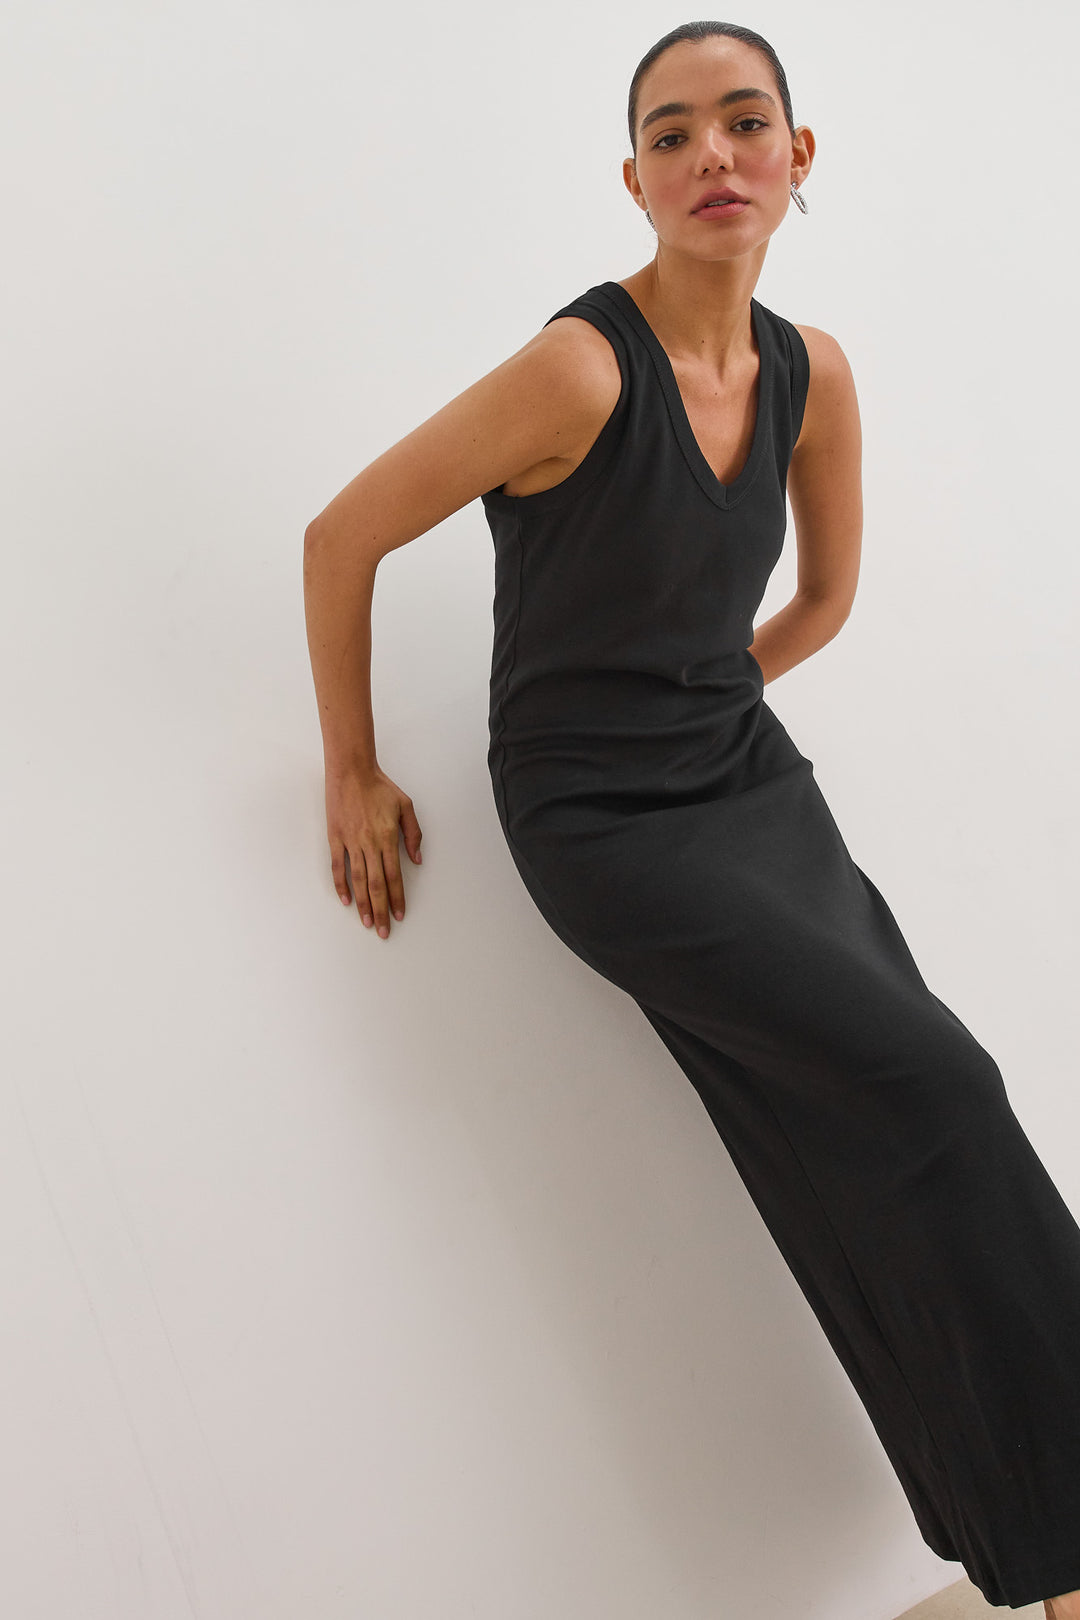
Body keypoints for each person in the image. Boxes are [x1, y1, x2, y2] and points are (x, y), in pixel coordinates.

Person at [302, 20, 1080, 1614]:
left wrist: (711, 690)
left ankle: (1034, 1544)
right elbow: (340, 535)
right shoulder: (579, 369)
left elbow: (825, 601)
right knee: (938, 1084)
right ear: (636, 179)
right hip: (603, 824)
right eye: (671, 133)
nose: (711, 153)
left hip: (743, 779)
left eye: (743, 121)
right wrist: (350, 768)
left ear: (801, 155)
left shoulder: (813, 373)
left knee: (868, 1139)